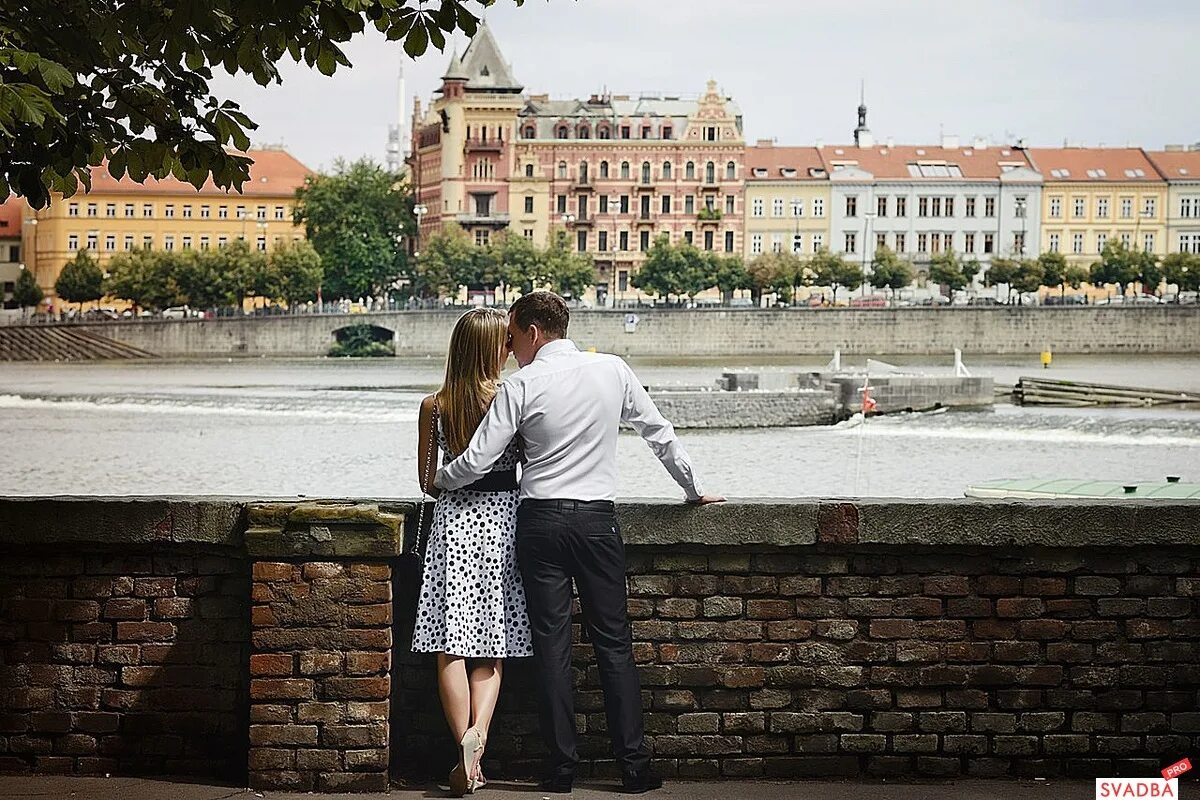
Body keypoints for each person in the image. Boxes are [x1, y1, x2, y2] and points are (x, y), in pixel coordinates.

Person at [435, 291, 724, 794]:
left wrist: (441, 480)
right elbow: (658, 433)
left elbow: (478, 460)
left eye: (511, 336)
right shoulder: (612, 369)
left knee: (553, 649)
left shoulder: (521, 384)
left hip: (539, 524)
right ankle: (633, 768)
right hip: (596, 521)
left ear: (532, 332)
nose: (509, 346)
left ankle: (561, 770)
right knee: (614, 645)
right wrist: (692, 489)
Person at [413, 307, 533, 797]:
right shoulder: (511, 398)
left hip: (453, 526)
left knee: (451, 644)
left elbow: (425, 481)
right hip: (502, 524)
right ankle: (477, 743)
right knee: (492, 644)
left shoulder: (434, 405)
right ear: (489, 348)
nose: (509, 347)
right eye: (503, 341)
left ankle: (462, 750)